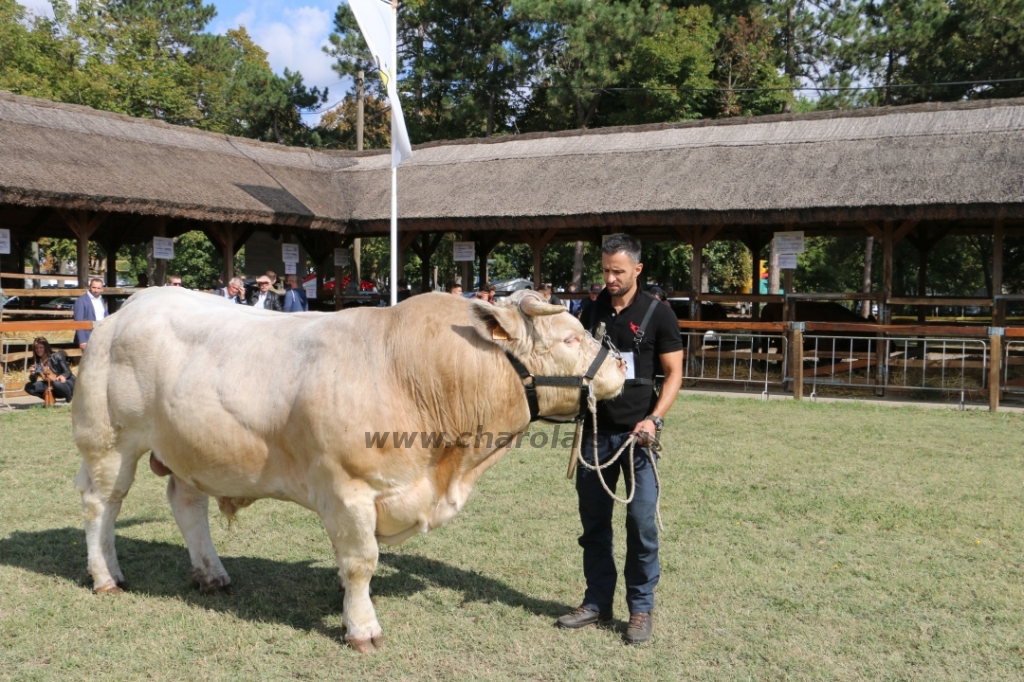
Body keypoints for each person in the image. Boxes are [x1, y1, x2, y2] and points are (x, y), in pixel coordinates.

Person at [560, 233, 683, 645]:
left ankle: (640, 608)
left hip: (637, 440)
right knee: (594, 526)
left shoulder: (659, 314)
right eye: (605, 270)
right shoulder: (590, 309)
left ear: (637, 270)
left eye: (618, 271)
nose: (609, 278)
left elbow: (675, 374)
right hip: (594, 435)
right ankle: (597, 602)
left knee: (641, 523)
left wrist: (653, 419)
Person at [23, 337, 75, 404]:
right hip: (51, 385)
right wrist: (33, 375)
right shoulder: (38, 362)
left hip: (66, 383)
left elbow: (68, 372)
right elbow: (34, 380)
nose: (38, 350)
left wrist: (62, 376)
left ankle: (70, 399)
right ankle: (50, 399)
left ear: (46, 347)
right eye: (36, 348)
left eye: (41, 347)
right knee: (29, 387)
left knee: (57, 383)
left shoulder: (56, 357)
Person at [72, 278, 107, 349]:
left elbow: (106, 317)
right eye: (94, 287)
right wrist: (82, 340)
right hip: (87, 339)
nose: (96, 290)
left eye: (98, 288)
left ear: (102, 289)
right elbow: (78, 322)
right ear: (89, 287)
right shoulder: (81, 301)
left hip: (100, 337)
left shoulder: (101, 300)